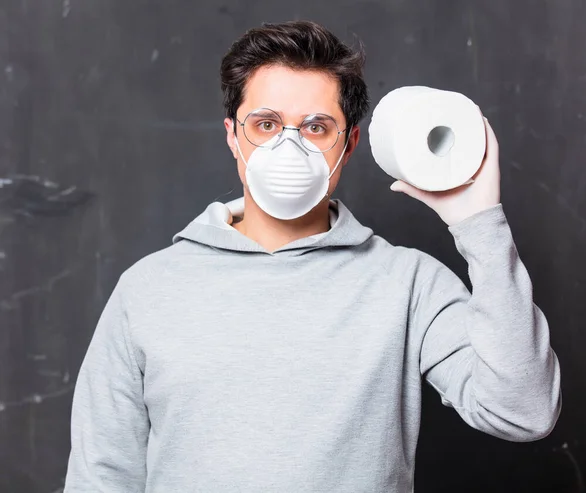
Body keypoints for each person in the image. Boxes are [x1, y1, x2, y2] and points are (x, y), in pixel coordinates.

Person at [64, 20, 561, 493]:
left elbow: (524, 412)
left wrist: (481, 227)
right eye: (265, 123)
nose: (289, 147)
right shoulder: (148, 289)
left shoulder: (408, 285)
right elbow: (102, 475)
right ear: (233, 135)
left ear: (349, 145)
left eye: (317, 127)